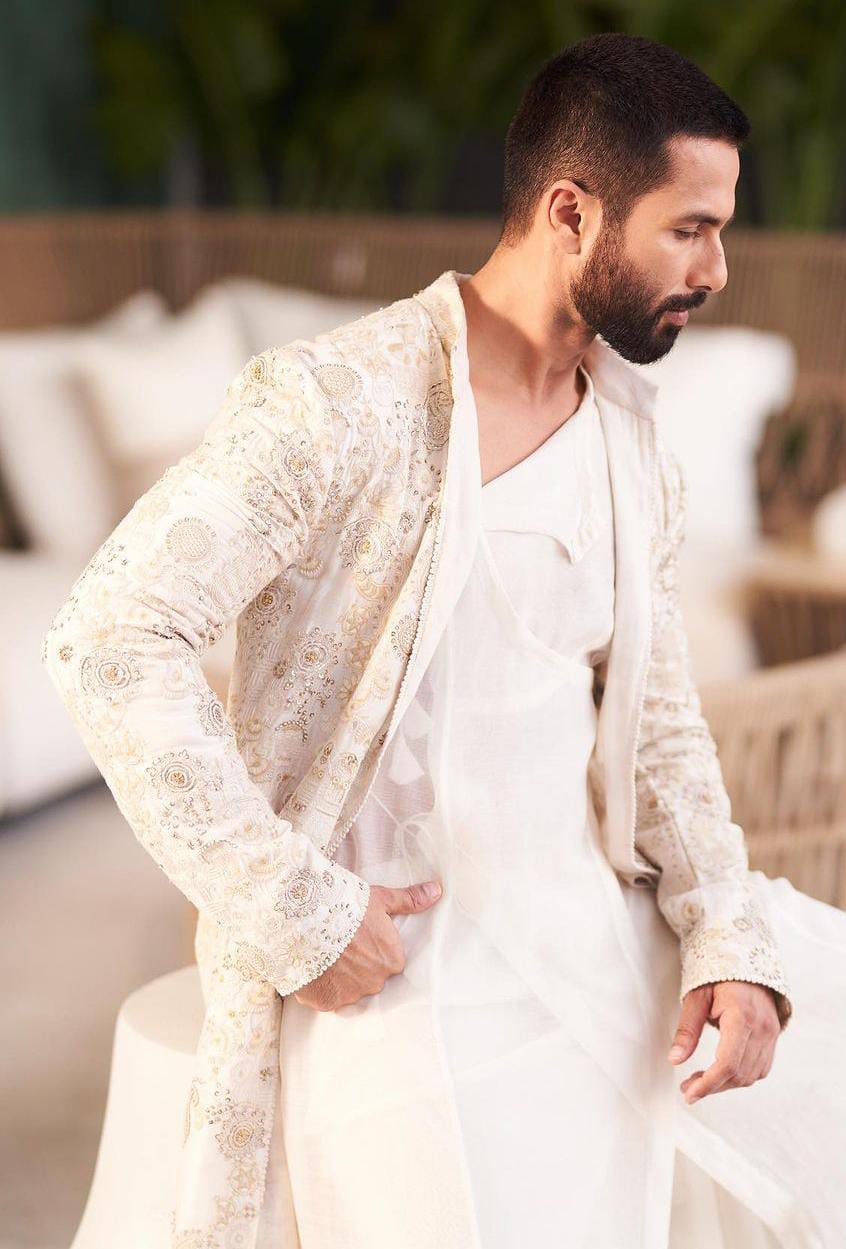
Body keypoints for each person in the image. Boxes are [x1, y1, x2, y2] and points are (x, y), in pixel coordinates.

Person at [42, 32, 846, 1249]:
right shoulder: (335, 403)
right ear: (571, 212)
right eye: (690, 229)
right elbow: (109, 633)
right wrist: (294, 910)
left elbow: (659, 722)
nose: (718, 269)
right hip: (399, 969)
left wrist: (724, 934)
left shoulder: (634, 442)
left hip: (594, 929)